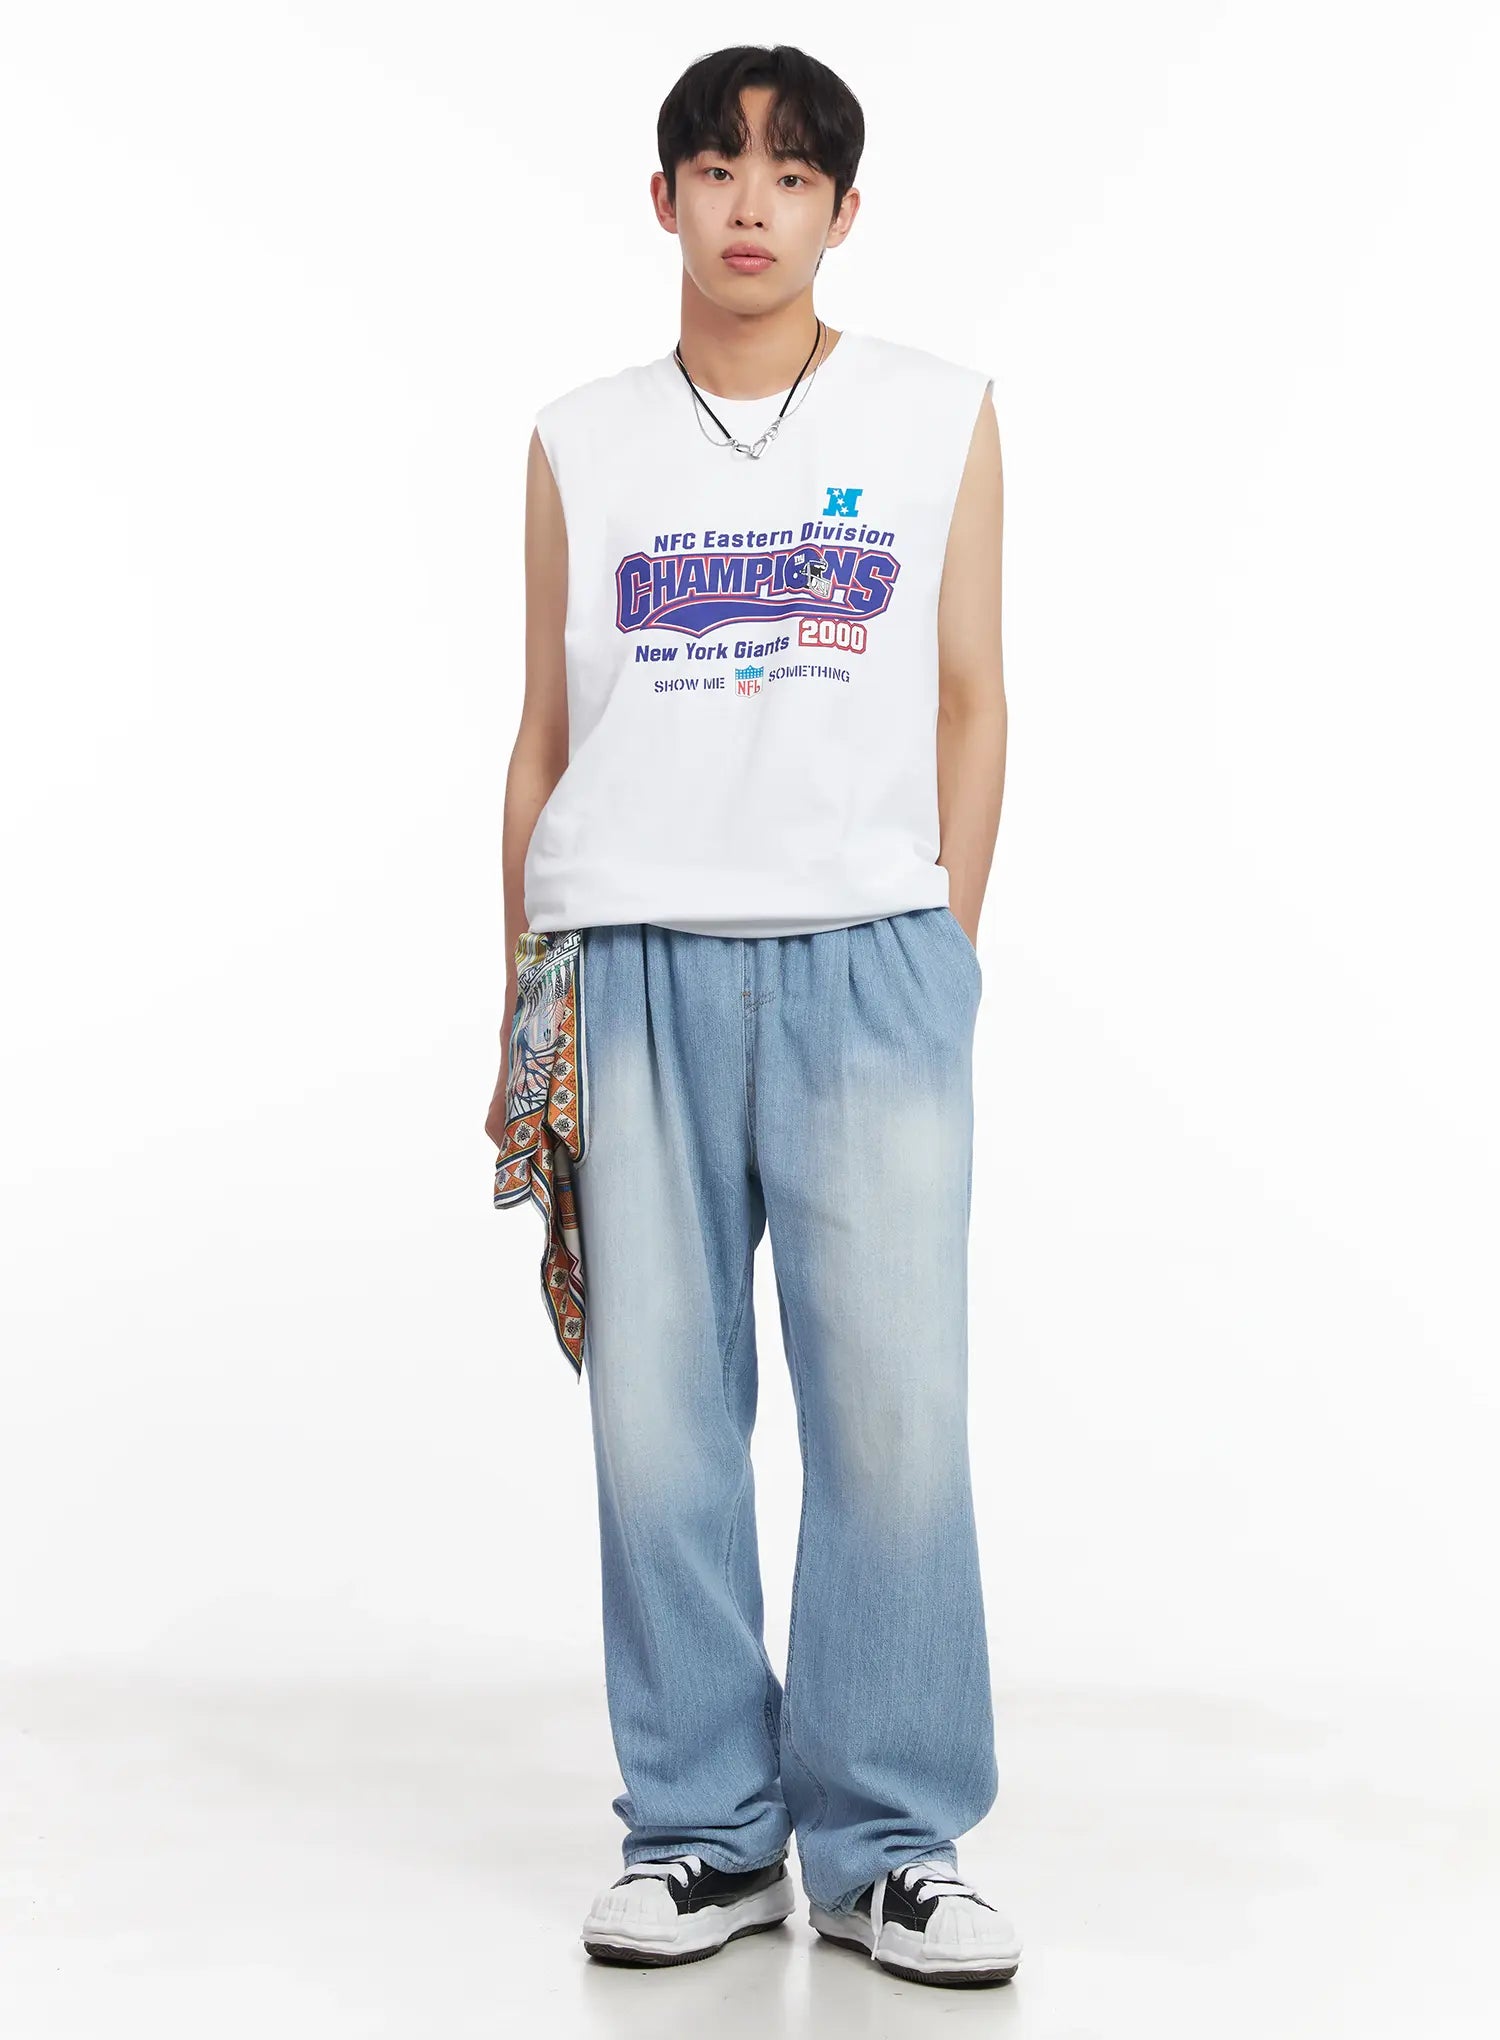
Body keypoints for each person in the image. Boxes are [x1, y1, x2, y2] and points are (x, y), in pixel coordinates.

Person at [485, 43, 1020, 1989]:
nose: (749, 205)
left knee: (892, 1415)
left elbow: (971, 697)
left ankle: (889, 1843)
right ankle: (703, 1833)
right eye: (715, 169)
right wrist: (522, 1007)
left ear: (843, 214)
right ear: (664, 199)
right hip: (629, 962)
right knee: (659, 1426)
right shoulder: (580, 440)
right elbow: (544, 734)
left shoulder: (938, 414)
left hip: (868, 961)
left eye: (792, 177)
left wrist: (944, 952)